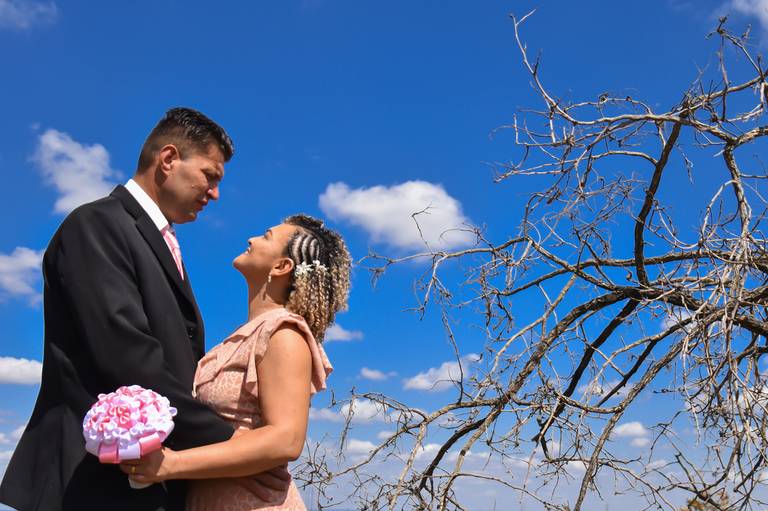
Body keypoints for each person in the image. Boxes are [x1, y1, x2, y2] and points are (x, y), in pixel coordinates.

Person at [0, 108, 286, 511]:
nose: (216, 193)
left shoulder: (161, 241)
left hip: (144, 482)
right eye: (210, 175)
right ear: (168, 160)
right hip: (89, 485)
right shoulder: (97, 225)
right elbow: (128, 358)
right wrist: (231, 446)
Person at [119, 214, 351, 511]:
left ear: (282, 267)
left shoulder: (283, 332)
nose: (252, 239)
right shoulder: (246, 334)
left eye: (266, 236)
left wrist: (170, 464)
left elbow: (286, 439)